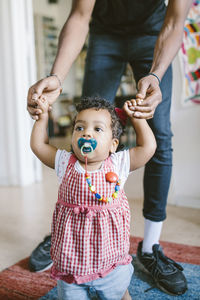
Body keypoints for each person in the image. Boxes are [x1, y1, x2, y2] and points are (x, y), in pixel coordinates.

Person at [27, 0, 192, 295]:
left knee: (160, 133)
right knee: (90, 117)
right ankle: (69, 234)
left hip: (154, 32)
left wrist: (154, 75)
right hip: (104, 34)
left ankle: (151, 245)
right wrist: (57, 78)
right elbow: (79, 16)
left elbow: (174, 21)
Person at [30, 96, 156, 300]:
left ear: (113, 144)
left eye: (98, 129)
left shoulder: (118, 163)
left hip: (109, 253)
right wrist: (42, 116)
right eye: (79, 128)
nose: (86, 132)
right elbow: (39, 145)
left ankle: (121, 292)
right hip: (72, 256)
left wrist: (138, 119)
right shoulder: (65, 162)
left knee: (115, 288)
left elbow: (147, 148)